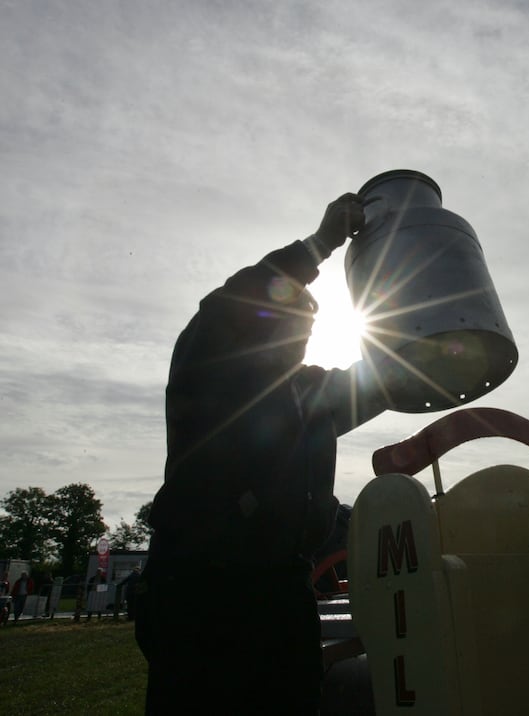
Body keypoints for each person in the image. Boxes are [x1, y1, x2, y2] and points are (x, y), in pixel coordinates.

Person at [136, 192, 387, 715]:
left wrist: (446, 340)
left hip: (282, 588)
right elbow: (228, 304)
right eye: (289, 317)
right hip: (202, 585)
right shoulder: (208, 363)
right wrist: (319, 246)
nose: (301, 332)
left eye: (307, 327)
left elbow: (387, 379)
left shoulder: (311, 393)